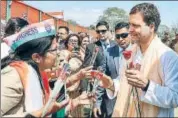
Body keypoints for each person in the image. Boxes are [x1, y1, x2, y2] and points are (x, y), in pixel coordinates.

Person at [90, 3, 178, 117]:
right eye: (130, 24)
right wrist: (110, 84)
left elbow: (175, 97)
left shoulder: (168, 57)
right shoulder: (130, 52)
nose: (130, 29)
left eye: (135, 25)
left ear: (151, 26)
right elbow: (123, 82)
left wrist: (146, 85)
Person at [1, 19, 95, 117]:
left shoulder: (39, 73)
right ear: (37, 57)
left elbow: (49, 109)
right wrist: (41, 113)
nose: (58, 53)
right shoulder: (13, 77)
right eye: (54, 49)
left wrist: (76, 101)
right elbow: (44, 111)